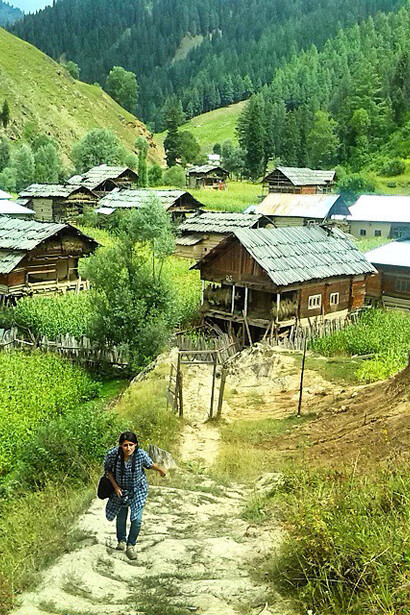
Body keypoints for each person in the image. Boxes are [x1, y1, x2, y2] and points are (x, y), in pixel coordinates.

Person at [103, 431, 166, 560]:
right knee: (121, 517)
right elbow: (108, 472)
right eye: (125, 445)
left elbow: (150, 464)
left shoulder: (140, 455)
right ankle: (121, 541)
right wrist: (115, 487)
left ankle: (131, 545)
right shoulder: (113, 455)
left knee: (136, 520)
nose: (128, 448)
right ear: (120, 445)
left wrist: (161, 470)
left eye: (131, 445)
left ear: (136, 445)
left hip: (138, 490)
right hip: (121, 490)